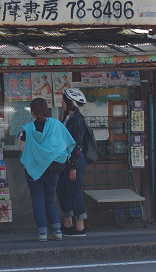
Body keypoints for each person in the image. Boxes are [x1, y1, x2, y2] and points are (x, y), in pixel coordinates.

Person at [19, 97, 75, 242]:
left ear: (32, 113)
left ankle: (42, 233)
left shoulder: (28, 129)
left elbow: (22, 148)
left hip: (34, 169)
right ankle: (57, 231)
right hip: (53, 168)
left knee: (37, 199)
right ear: (47, 110)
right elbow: (67, 143)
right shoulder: (56, 124)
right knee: (50, 198)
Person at [57, 88, 89, 237]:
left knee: (75, 192)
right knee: (63, 191)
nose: (62, 103)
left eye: (64, 100)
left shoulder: (78, 120)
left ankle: (80, 227)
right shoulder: (66, 118)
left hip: (74, 162)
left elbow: (78, 145)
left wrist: (73, 167)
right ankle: (68, 223)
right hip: (64, 161)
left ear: (71, 103)